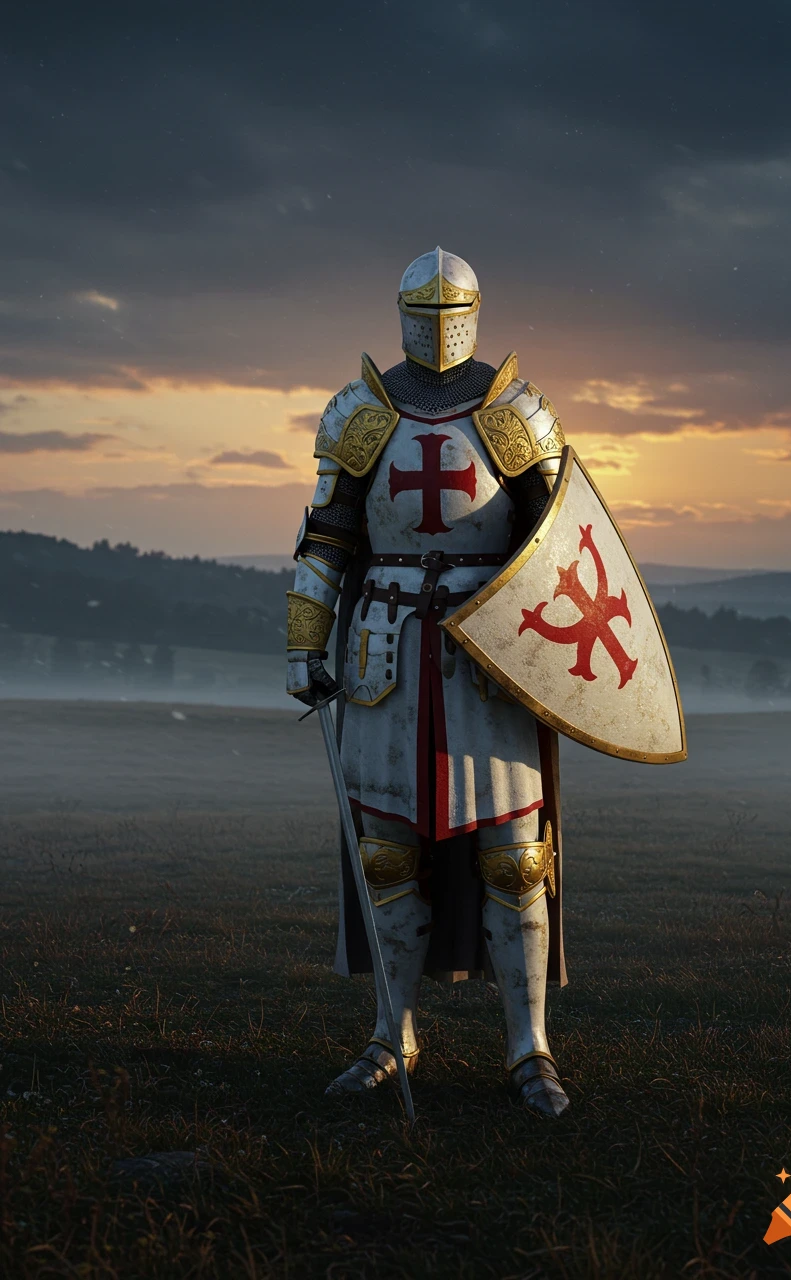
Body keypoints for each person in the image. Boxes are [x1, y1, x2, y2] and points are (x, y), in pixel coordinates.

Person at [288, 248, 569, 1117]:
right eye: (425, 311)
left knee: (517, 859)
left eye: (451, 312)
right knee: (386, 853)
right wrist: (304, 640)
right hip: (386, 653)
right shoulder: (360, 414)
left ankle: (530, 1051)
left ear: (474, 313)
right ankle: (390, 1033)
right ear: (401, 313)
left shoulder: (515, 411)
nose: (438, 329)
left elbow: (562, 543)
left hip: (490, 656)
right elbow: (330, 535)